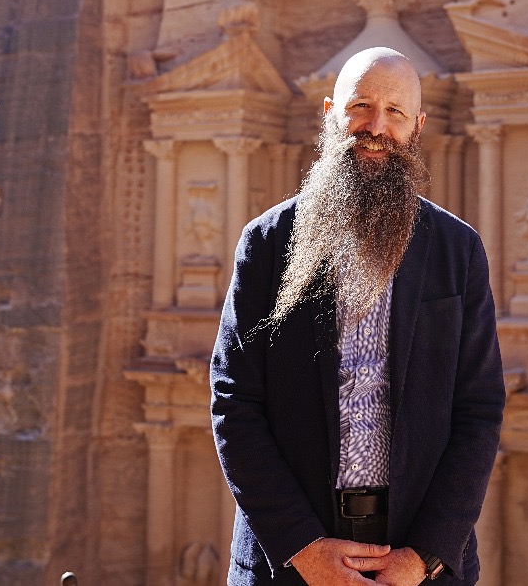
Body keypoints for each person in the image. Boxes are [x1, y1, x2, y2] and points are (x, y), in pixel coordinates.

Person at [211, 46, 505, 585]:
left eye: (395, 112)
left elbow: (479, 412)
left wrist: (423, 556)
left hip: (418, 563)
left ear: (417, 126)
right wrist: (304, 548)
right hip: (289, 562)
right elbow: (235, 402)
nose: (376, 127)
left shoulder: (457, 251)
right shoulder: (267, 243)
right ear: (330, 113)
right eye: (361, 106)